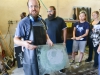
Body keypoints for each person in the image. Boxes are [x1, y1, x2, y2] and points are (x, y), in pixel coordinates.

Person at [14, 0, 53, 75]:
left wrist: (48, 39)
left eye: (36, 6)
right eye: (31, 6)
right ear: (28, 8)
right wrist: (24, 44)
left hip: (43, 57)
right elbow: (16, 39)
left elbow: (45, 33)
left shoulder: (42, 21)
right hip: (30, 59)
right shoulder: (23, 23)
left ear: (39, 7)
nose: (33, 8)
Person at [45, 6, 67, 73]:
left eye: (51, 11)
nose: (49, 13)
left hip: (58, 42)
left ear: (54, 11)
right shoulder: (45, 20)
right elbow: (44, 31)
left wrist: (64, 41)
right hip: (48, 43)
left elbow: (65, 30)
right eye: (48, 11)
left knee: (60, 56)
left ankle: (61, 68)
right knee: (50, 56)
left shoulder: (60, 20)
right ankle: (52, 67)